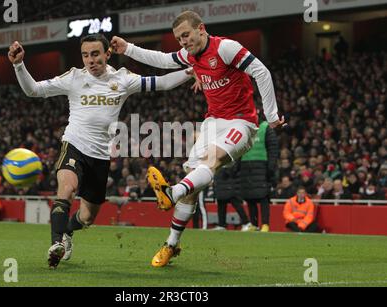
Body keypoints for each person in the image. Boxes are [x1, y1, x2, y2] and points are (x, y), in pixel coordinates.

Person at [111, 10, 284, 267]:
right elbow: (161, 59)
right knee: (194, 184)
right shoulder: (188, 55)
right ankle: (171, 244)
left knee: (210, 161)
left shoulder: (226, 48)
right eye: (179, 38)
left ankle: (171, 193)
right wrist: (128, 48)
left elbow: (262, 73)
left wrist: (271, 115)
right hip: (212, 122)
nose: (183, 41)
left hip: (241, 122)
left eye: (186, 35)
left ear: (201, 29)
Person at [8, 34, 195, 269]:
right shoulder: (74, 77)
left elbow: (164, 83)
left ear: (107, 54)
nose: (90, 60)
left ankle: (67, 231)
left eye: (95, 54)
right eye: (85, 55)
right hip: (74, 145)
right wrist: (18, 65)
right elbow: (33, 90)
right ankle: (56, 244)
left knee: (86, 218)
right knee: (67, 188)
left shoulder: (123, 79)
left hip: (100, 157)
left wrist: (192, 71)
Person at [239, 119, 279, 232]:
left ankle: (265, 224)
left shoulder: (266, 127)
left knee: (263, 197)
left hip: (262, 166)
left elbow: (273, 148)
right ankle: (254, 224)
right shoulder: (245, 128)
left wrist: (271, 166)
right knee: (250, 197)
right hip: (246, 168)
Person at [213, 163, 252, 231]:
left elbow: (235, 167)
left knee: (235, 202)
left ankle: (246, 223)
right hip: (221, 181)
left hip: (230, 182)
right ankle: (221, 224)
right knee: (221, 202)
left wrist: (227, 170)